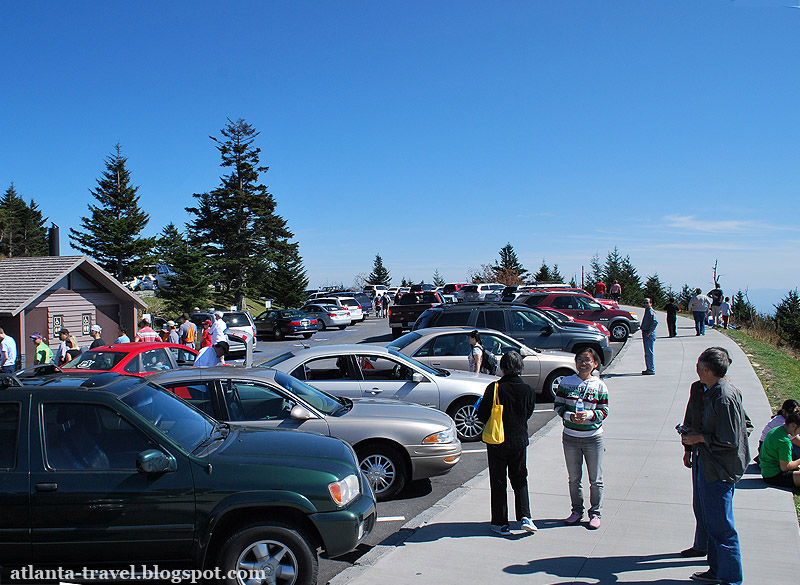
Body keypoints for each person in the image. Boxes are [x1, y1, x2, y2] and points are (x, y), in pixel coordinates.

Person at [680, 347, 749, 585]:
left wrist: (699, 438)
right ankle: (716, 570)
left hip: (719, 469)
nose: (696, 368)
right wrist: (690, 445)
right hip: (706, 462)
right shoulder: (708, 390)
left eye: (699, 365)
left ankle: (731, 579)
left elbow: (730, 440)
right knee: (711, 521)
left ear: (707, 369)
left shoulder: (724, 396)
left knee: (722, 529)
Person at [476, 351, 537, 535]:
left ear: (502, 367)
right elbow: (528, 413)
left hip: (497, 441)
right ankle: (525, 516)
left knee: (499, 481)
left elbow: (482, 414)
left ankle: (500, 522)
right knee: (520, 479)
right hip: (519, 439)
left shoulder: (495, 388)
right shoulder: (528, 390)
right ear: (520, 367)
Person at [554, 347, 609, 529]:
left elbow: (604, 410)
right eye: (580, 360)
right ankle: (576, 510)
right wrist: (570, 416)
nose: (584, 363)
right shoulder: (566, 382)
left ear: (595, 363)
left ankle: (595, 513)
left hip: (593, 437)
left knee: (596, 479)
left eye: (588, 360)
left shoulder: (599, 385)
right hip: (570, 437)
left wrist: (590, 415)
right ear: (575, 363)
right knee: (574, 478)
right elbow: (558, 406)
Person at [759, 410, 800, 490]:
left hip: (766, 471)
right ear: (794, 426)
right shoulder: (784, 441)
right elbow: (785, 467)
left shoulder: (776, 429)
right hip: (774, 475)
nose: (799, 434)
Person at [641, 298, 658, 375]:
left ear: (651, 303)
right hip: (645, 333)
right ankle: (649, 368)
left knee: (649, 352)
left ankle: (651, 369)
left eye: (647, 302)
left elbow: (655, 322)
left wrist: (650, 332)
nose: (645, 304)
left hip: (649, 334)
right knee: (647, 353)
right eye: (644, 302)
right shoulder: (647, 311)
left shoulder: (651, 311)